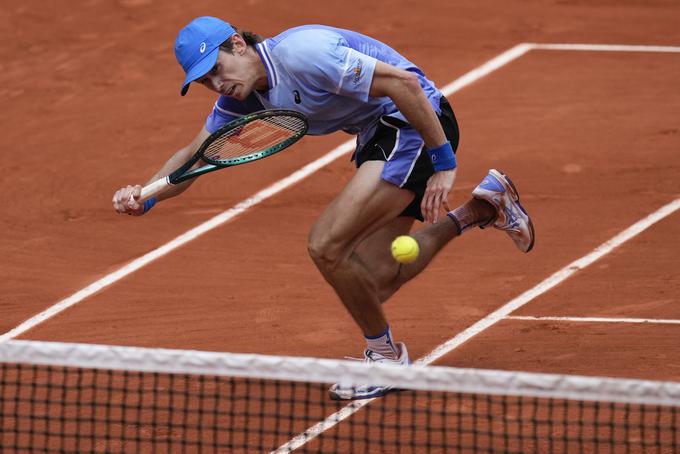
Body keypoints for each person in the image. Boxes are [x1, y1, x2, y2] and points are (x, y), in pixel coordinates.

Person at [112, 17, 535, 400]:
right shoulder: (241, 101)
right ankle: (482, 208)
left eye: (216, 70)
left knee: (326, 245)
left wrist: (443, 162)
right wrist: (145, 195)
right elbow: (197, 155)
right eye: (205, 82)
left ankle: (385, 357)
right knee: (374, 280)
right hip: (376, 135)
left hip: (414, 122)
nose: (217, 85)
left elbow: (404, 85)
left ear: (238, 44)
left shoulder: (303, 53)